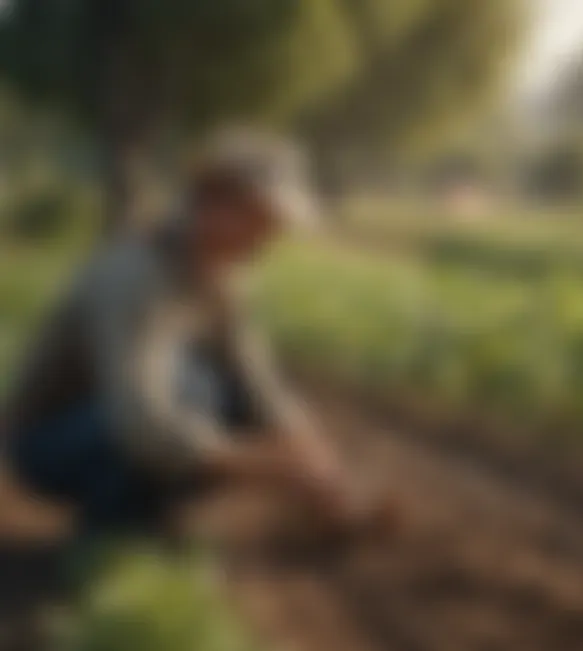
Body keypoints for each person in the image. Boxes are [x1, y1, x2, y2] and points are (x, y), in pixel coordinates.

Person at [2, 130, 374, 534]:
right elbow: (143, 425)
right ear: (211, 202)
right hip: (49, 443)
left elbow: (257, 380)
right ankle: (111, 534)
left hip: (116, 416)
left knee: (223, 392)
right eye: (261, 218)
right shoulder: (135, 277)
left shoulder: (221, 273)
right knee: (193, 391)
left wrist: (319, 465)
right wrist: (268, 467)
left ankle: (154, 513)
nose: (270, 237)